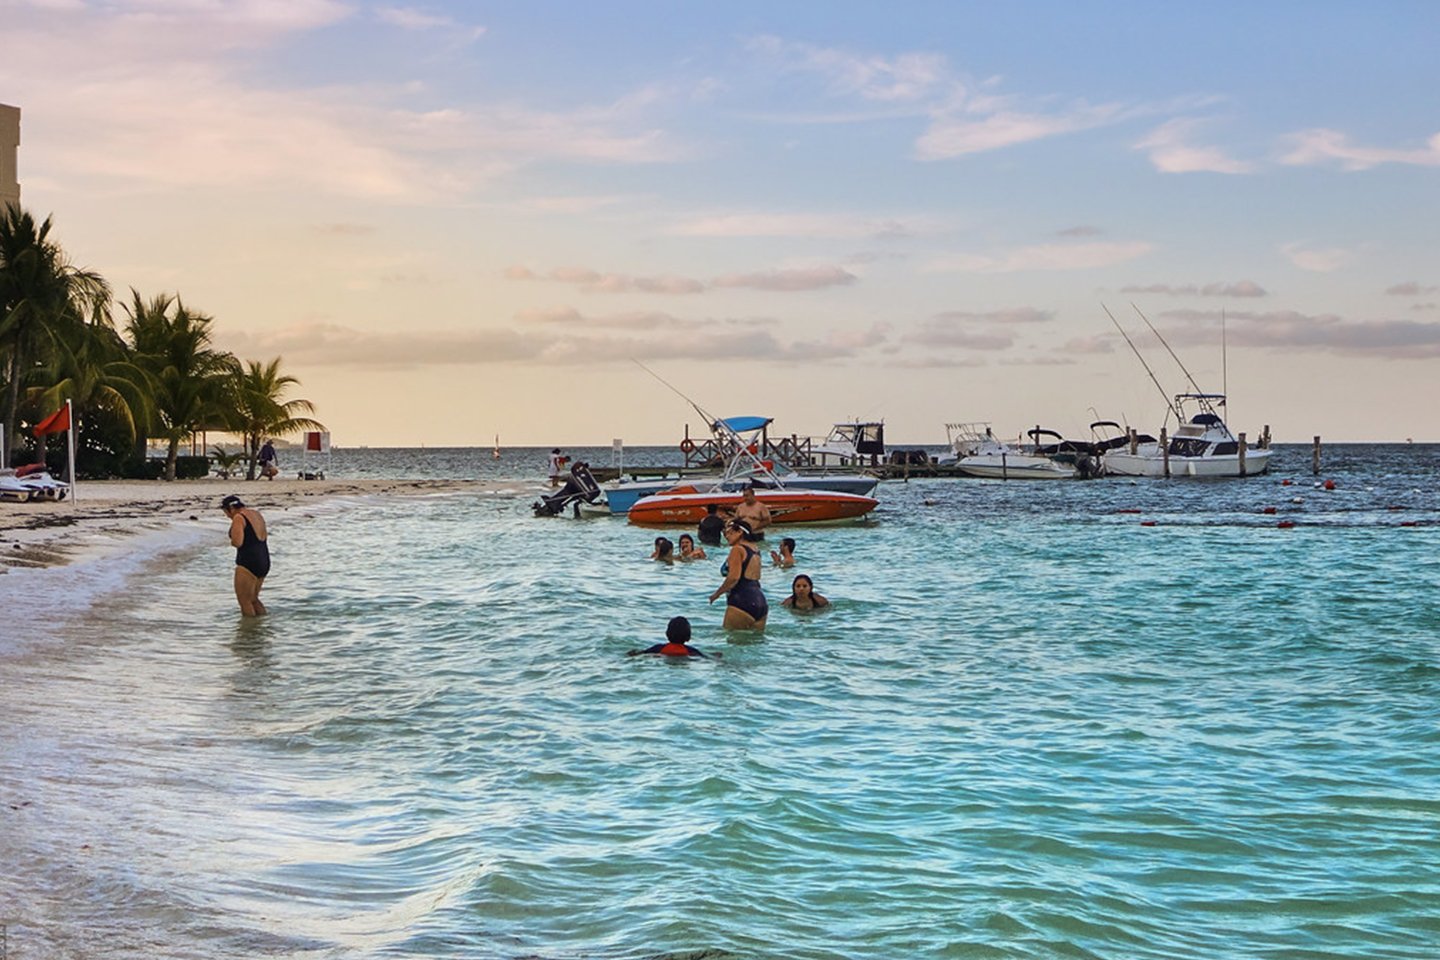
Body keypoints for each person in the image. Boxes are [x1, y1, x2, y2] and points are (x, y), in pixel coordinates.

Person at [709, 518, 767, 630]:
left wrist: (716, 594)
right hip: (760, 601)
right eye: (725, 533)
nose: (727, 536)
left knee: (732, 642)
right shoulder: (755, 549)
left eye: (730, 532)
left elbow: (733, 578)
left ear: (740, 532)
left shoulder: (737, 550)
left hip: (742, 600)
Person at [221, 494, 269, 616]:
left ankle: (248, 632)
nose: (227, 516)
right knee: (253, 599)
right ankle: (262, 626)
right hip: (264, 559)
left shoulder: (239, 517)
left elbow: (238, 542)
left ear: (230, 509)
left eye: (226, 513)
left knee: (245, 602)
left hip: (248, 561)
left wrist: (232, 538)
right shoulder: (256, 514)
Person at [627, 616, 714, 658]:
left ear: (667, 634)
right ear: (688, 636)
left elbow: (639, 653)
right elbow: (707, 657)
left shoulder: (658, 648)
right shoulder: (691, 651)